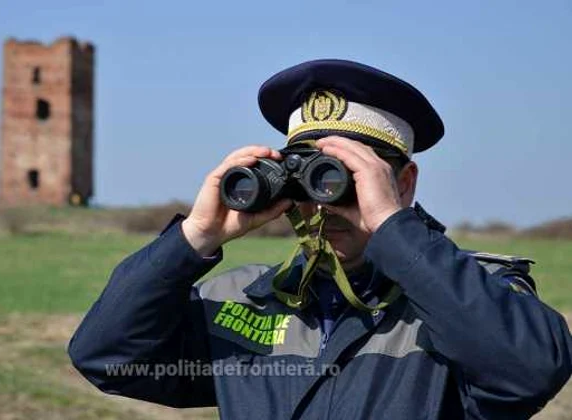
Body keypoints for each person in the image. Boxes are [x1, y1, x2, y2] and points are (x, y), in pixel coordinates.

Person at [68, 60, 572, 419]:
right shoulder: (242, 302)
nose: (324, 203)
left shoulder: (474, 292)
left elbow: (527, 371)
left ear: (405, 183)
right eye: (309, 182)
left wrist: (393, 230)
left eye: (345, 179)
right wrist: (193, 237)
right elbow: (108, 359)